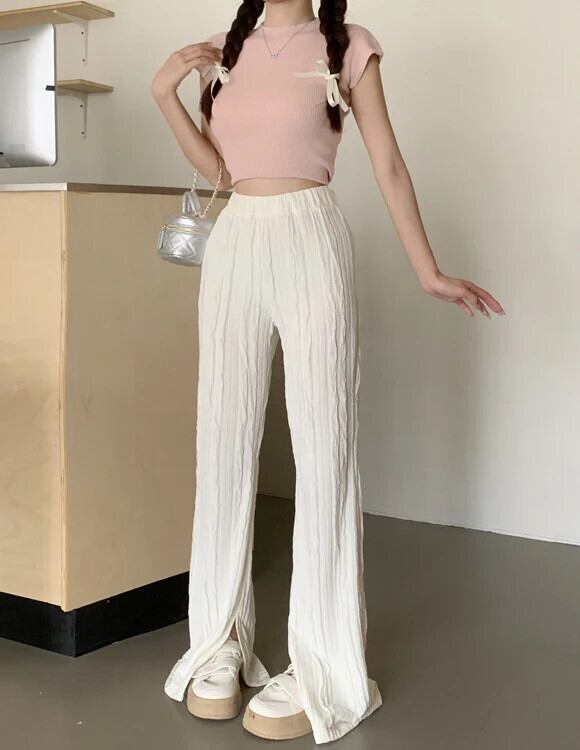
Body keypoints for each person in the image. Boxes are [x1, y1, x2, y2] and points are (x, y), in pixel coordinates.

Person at [151, 0, 504, 744]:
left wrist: (428, 271)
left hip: (312, 237)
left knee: (324, 450)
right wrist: (164, 94)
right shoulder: (223, 49)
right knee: (221, 446)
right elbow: (222, 170)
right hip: (235, 244)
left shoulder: (350, 45)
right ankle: (218, 639)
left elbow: (388, 163)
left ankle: (321, 662)